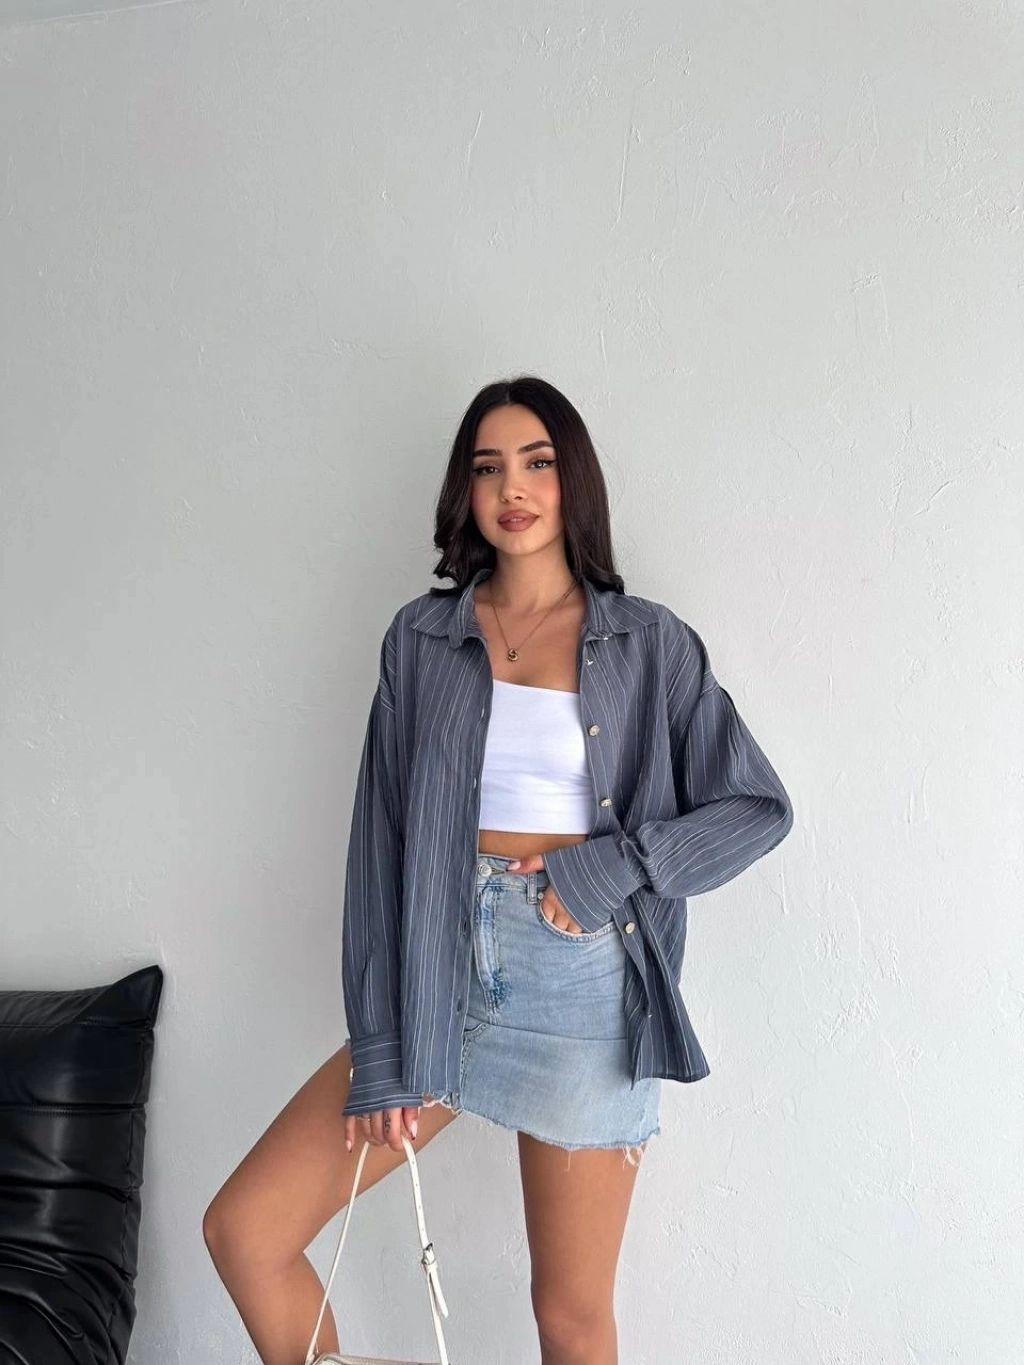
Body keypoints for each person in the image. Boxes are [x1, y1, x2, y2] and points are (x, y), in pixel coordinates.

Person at [203, 374, 795, 1365]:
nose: (511, 487)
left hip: (580, 990)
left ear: (573, 481)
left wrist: (606, 870)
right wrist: (381, 1039)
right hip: (437, 977)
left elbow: (754, 806)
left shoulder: (649, 642)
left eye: (537, 462)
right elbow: (379, 843)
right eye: (488, 468)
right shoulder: (420, 639)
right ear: (466, 492)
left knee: (569, 1317)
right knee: (247, 1233)